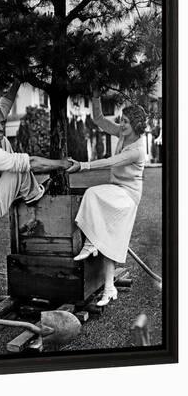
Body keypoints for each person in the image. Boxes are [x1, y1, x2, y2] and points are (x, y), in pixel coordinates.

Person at [67, 90, 147, 306]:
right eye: (121, 120)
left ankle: (91, 242)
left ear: (137, 126)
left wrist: (83, 165)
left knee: (92, 193)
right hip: (116, 189)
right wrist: (94, 95)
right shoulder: (123, 133)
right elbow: (99, 119)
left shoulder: (138, 149)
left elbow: (111, 161)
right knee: (110, 241)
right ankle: (109, 289)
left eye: (126, 122)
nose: (121, 125)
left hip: (128, 196)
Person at [0, 79, 71, 219]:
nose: (1, 128)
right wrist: (63, 163)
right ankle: (33, 195)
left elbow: (5, 102)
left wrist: (17, 80)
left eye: (2, 123)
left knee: (5, 143)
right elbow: (31, 163)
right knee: (19, 166)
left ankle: (26, 189)